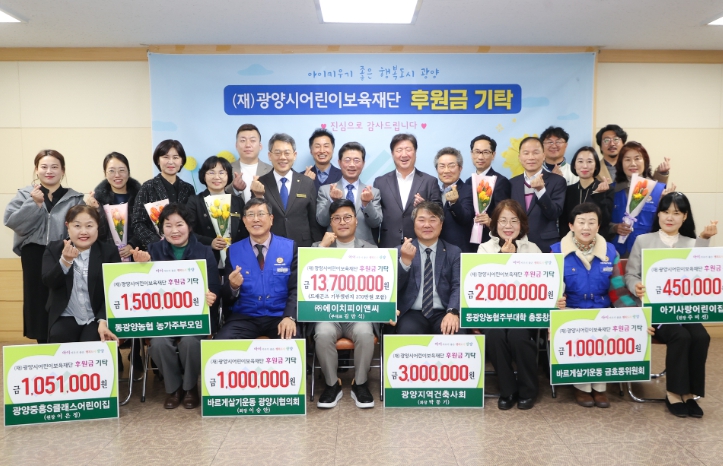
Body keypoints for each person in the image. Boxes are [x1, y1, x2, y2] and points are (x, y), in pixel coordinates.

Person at [625, 192, 718, 418]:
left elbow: (700, 271)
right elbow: (630, 275)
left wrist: (704, 239)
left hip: (684, 310)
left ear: (684, 217)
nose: (669, 217)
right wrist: (636, 286)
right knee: (681, 336)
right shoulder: (643, 241)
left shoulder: (691, 243)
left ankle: (690, 394)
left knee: (701, 336)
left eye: (676, 213)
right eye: (665, 212)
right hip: (657, 312)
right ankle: (674, 393)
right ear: (658, 214)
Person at [131, 203, 220, 409]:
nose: (174, 230)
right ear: (162, 228)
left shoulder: (204, 251)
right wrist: (141, 265)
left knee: (190, 342)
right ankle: (174, 388)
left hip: (195, 317)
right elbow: (140, 287)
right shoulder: (153, 250)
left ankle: (190, 387)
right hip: (163, 318)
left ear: (189, 226)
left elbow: (215, 287)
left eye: (179, 224)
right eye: (168, 225)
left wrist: (211, 296)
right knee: (159, 343)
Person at [551, 202, 636, 408]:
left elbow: (618, 290)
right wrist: (555, 302)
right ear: (571, 225)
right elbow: (553, 289)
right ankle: (582, 387)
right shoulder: (556, 252)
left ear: (598, 226)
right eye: (581, 222)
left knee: (603, 330)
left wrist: (636, 317)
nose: (586, 227)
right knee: (579, 330)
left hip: (601, 309)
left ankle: (599, 387)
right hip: (570, 309)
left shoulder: (610, 251)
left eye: (591, 222)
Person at [4, 149, 84, 343]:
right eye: (44, 167)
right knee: (37, 300)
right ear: (36, 170)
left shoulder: (75, 198)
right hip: (34, 254)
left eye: (55, 167)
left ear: (63, 171)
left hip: (63, 253)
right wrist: (34, 204)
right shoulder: (25, 195)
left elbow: (81, 227)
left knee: (62, 297)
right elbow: (13, 222)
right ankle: (41, 342)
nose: (49, 171)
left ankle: (63, 339)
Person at [313, 199, 376, 409]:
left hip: (358, 315)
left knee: (365, 333)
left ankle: (360, 383)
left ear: (356, 221)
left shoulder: (371, 249)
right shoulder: (317, 247)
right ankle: (332, 385)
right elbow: (306, 278)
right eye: (336, 218)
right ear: (330, 222)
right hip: (328, 314)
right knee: (322, 334)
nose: (342, 222)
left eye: (347, 217)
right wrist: (322, 248)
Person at [478, 200, 541, 410]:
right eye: (503, 221)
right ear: (495, 224)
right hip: (493, 312)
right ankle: (508, 390)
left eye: (514, 221)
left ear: (521, 224)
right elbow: (482, 282)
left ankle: (528, 390)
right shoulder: (484, 249)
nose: (508, 226)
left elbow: (546, 281)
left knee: (518, 336)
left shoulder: (533, 249)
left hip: (524, 312)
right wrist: (503, 258)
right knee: (494, 335)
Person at [216, 198, 299, 340]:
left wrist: (290, 316)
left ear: (271, 219)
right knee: (221, 345)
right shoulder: (234, 251)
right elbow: (226, 297)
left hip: (280, 315)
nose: (255, 219)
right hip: (244, 317)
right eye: (250, 215)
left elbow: (296, 288)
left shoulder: (289, 248)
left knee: (293, 343)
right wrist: (233, 287)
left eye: (261, 214)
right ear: (244, 220)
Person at [41, 205, 121, 343]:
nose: (83, 232)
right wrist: (65, 261)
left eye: (89, 226)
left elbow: (115, 290)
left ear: (97, 226)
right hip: (66, 315)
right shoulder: (54, 249)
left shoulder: (109, 252)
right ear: (68, 226)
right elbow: (49, 282)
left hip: (97, 316)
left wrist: (103, 320)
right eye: (77, 226)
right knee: (58, 337)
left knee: (94, 341)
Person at [395, 201, 462, 335]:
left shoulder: (453, 252)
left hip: (444, 311)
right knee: (407, 332)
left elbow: (458, 285)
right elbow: (393, 287)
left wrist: (453, 311)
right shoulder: (400, 251)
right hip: (411, 312)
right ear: (414, 224)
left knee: (455, 333)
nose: (427, 225)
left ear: (441, 224)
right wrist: (405, 262)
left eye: (433, 220)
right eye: (421, 220)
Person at [249, 133, 324, 247]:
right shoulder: (260, 183)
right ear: (270, 156)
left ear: (294, 155)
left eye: (287, 153)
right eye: (277, 153)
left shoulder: (306, 182)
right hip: (271, 245)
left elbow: (313, 220)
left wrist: (317, 246)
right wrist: (258, 195)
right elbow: (254, 217)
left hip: (302, 245)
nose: (282, 157)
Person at [374, 134, 443, 248]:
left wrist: (425, 205)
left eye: (408, 149)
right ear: (392, 154)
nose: (404, 154)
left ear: (415, 152)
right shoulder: (380, 182)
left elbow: (440, 213)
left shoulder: (430, 181)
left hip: (419, 244)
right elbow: (376, 217)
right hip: (389, 244)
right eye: (399, 150)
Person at [610, 141, 674, 258]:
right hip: (618, 253)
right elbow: (601, 222)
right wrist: (614, 227)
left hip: (649, 252)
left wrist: (666, 205)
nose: (633, 164)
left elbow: (667, 224)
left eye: (637, 158)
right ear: (620, 164)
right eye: (627, 159)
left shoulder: (658, 190)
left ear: (645, 161)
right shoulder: (611, 190)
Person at [132, 140, 196, 249]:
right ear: (158, 160)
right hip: (156, 250)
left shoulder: (188, 189)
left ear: (182, 161)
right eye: (166, 157)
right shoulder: (147, 187)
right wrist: (158, 243)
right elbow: (137, 223)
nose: (171, 162)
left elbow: (192, 221)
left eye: (175, 157)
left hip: (185, 249)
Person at [187, 156, 248, 269]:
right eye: (211, 172)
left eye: (221, 172)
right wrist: (210, 242)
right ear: (204, 176)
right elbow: (188, 232)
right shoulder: (195, 201)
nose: (217, 177)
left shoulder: (237, 201)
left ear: (228, 176)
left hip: (236, 259)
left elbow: (245, 231)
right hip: (207, 258)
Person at [316, 142, 382, 245]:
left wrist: (367, 204)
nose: (352, 164)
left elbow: (375, 223)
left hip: (364, 248)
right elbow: (322, 221)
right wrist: (332, 200)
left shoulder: (373, 192)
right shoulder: (325, 190)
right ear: (339, 162)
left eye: (356, 160)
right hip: (334, 247)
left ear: (363, 164)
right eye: (347, 160)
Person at [509, 137, 566, 253]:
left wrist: (541, 191)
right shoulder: (512, 183)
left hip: (546, 245)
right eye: (526, 153)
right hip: (516, 244)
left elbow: (554, 213)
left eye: (535, 152)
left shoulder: (557, 181)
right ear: (520, 157)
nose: (531, 157)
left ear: (544, 155)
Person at [86, 152, 142, 258]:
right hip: (107, 256)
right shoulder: (97, 199)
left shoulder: (140, 196)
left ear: (128, 172)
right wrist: (96, 210)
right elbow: (98, 233)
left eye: (122, 170)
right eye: (111, 171)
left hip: (137, 255)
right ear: (105, 173)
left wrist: (133, 244)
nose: (117, 175)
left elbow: (146, 226)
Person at [465, 134, 511, 245]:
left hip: (491, 241)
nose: (480, 157)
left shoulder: (501, 181)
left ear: (493, 155)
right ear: (471, 154)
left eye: (485, 152)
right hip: (468, 241)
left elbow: (505, 214)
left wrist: (491, 222)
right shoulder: (468, 182)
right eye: (477, 152)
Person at [559, 147, 614, 239]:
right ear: (574, 165)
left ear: (596, 165)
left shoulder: (607, 190)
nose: (584, 166)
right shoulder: (568, 191)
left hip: (598, 241)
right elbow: (563, 222)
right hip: (571, 242)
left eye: (589, 161)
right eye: (580, 161)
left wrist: (599, 195)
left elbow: (605, 221)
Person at [595, 124, 670, 183]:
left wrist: (662, 174)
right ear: (600, 146)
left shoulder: (636, 166)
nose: (612, 144)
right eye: (606, 140)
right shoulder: (594, 169)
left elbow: (653, 189)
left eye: (616, 139)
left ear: (623, 144)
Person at [435, 147, 475, 252]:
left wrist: (454, 202)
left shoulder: (469, 190)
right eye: (442, 166)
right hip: (436, 251)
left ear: (460, 168)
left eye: (451, 166)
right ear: (437, 169)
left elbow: (466, 218)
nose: (446, 170)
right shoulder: (434, 191)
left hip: (458, 251)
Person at [227, 123, 273, 202]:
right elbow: (219, 196)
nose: (248, 145)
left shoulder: (271, 171)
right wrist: (234, 189)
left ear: (260, 146)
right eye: (243, 140)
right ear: (236, 146)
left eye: (252, 140)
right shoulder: (227, 169)